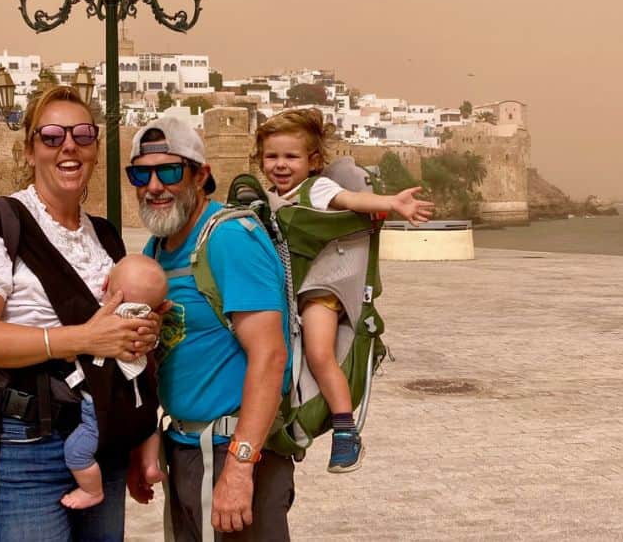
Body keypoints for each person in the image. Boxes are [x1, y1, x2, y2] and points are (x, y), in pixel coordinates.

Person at [0, 85, 160, 542]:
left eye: (83, 135)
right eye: (51, 136)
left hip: (100, 441)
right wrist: (83, 339)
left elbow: (122, 348)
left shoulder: (104, 236)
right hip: (24, 445)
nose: (69, 146)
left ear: (96, 151)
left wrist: (141, 336)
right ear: (29, 150)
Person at [127, 115, 292, 541]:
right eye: (141, 174)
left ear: (201, 175)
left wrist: (239, 467)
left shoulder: (229, 238)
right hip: (185, 448)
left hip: (232, 449)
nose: (154, 186)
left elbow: (270, 355)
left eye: (169, 171)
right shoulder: (159, 246)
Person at [253, 108, 434, 472]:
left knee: (319, 354)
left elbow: (351, 202)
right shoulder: (268, 198)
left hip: (321, 290)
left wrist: (392, 203)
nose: (281, 165)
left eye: (292, 156)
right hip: (288, 292)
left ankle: (345, 429)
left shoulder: (317, 189)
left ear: (313, 160)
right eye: (272, 156)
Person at [61, 254, 168, 510]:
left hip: (102, 412)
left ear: (105, 283)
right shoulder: (147, 327)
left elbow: (71, 351)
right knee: (148, 426)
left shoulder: (101, 321)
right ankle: (151, 464)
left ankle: (92, 490)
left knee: (76, 451)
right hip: (140, 407)